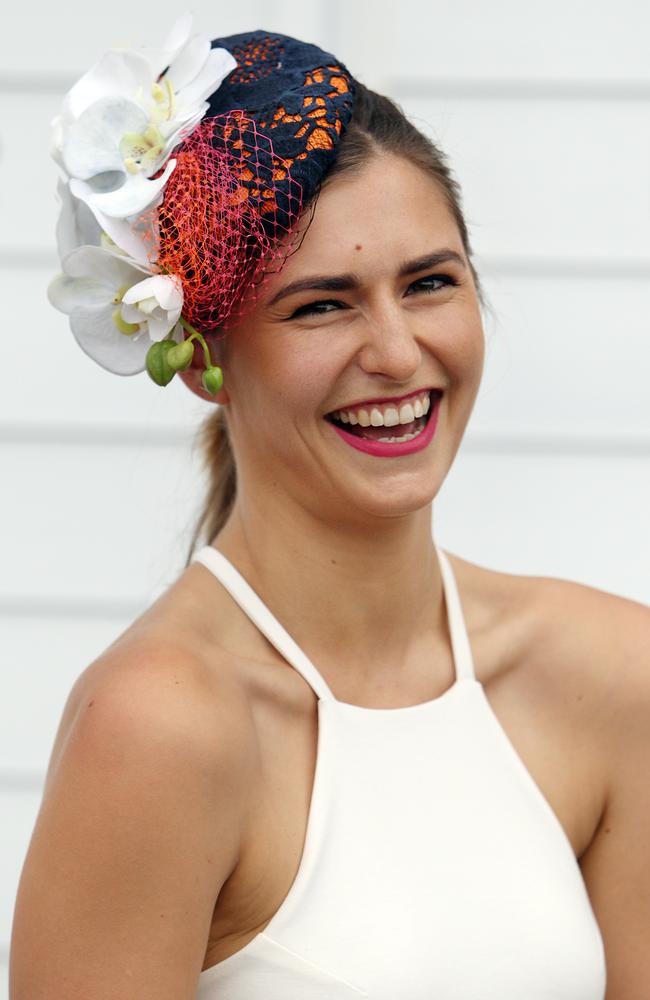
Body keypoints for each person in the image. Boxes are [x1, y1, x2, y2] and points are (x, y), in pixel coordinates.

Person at [9, 19, 650, 1000]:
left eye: (429, 283)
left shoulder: (611, 674)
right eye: (322, 304)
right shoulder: (155, 730)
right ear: (205, 362)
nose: (395, 352)